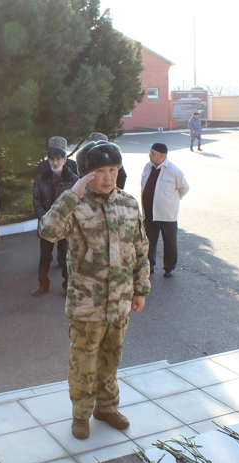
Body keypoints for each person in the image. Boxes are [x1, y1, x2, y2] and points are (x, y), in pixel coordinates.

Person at [39, 140, 150, 440]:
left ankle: (107, 407)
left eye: (113, 169)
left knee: (112, 358)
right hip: (86, 304)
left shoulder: (128, 204)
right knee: (83, 361)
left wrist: (140, 289)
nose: (108, 177)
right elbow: (48, 231)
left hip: (120, 302)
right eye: (100, 170)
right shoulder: (76, 205)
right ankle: (81, 415)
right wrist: (71, 195)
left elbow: (140, 249)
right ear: (86, 174)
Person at [32, 147, 79, 296]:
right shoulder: (41, 178)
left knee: (66, 257)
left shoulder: (74, 180)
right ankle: (43, 285)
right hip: (46, 225)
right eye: (52, 159)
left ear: (64, 161)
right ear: (48, 161)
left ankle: (67, 286)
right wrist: (45, 219)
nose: (55, 162)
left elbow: (77, 203)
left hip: (65, 225)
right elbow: (36, 200)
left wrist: (64, 220)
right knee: (44, 257)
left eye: (58, 159)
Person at [140, 143, 190, 278]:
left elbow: (184, 188)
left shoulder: (174, 171)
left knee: (169, 242)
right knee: (149, 241)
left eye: (153, 153)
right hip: (149, 213)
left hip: (167, 215)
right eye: (150, 152)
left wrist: (170, 201)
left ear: (162, 156)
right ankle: (149, 265)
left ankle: (169, 267)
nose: (149, 155)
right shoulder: (148, 167)